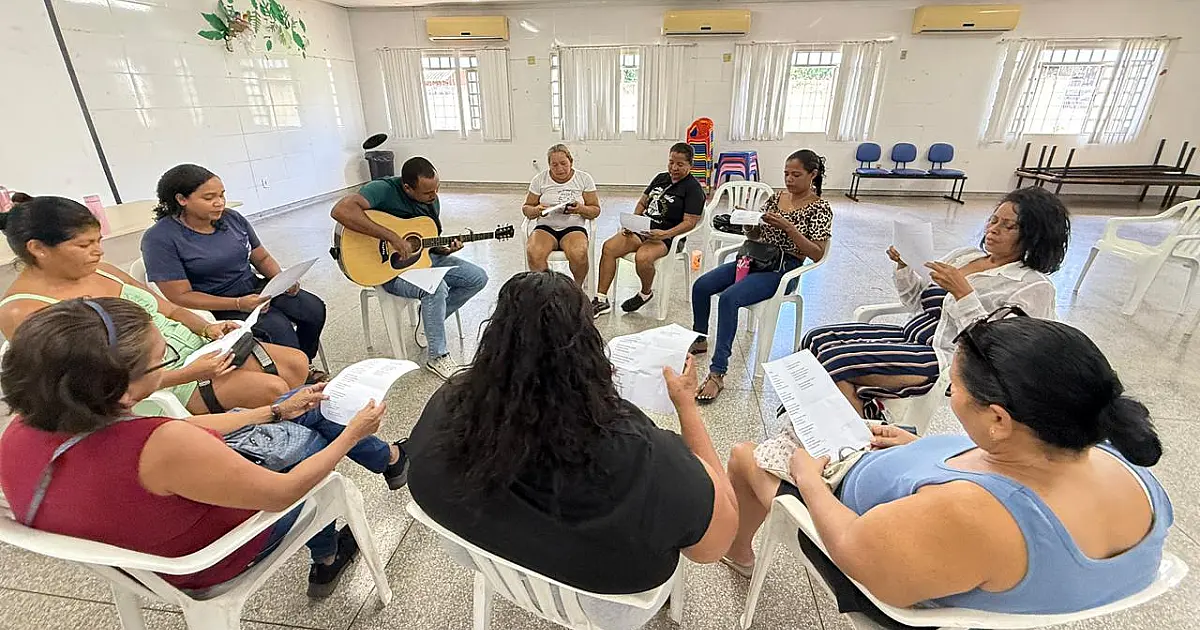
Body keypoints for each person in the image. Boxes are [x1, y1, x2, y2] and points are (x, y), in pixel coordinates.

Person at [724, 313, 1172, 617]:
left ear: (998, 419)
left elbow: (860, 555)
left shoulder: (974, 515)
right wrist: (917, 446)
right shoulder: (1128, 469)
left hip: (880, 565)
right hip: (930, 515)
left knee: (747, 456)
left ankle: (738, 552)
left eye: (953, 387)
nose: (949, 393)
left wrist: (809, 481)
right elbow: (1005, 466)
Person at [0, 297, 404, 598]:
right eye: (162, 362)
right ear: (122, 392)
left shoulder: (25, 428)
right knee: (315, 437)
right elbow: (281, 493)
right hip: (203, 561)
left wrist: (272, 411)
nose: (171, 368)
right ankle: (330, 552)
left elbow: (181, 428)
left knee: (298, 410)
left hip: (130, 558)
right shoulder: (160, 445)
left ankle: (385, 464)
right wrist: (351, 434)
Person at [406, 272, 738, 628]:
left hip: (493, 558)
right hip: (605, 603)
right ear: (590, 354)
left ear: (495, 342)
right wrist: (686, 405)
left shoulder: (451, 402)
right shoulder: (642, 452)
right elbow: (715, 545)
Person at [0, 196, 308, 414]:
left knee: (295, 362)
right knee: (273, 390)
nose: (97, 252)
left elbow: (170, 309)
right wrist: (187, 374)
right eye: (84, 245)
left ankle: (284, 431)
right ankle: (268, 444)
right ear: (38, 249)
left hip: (195, 350)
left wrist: (207, 327)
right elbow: (93, 388)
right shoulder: (23, 310)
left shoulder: (102, 269)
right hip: (157, 380)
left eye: (98, 241)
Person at [801, 186, 1070, 417]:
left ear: (1035, 236)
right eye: (993, 220)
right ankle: (853, 421)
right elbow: (914, 301)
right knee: (817, 339)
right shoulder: (966, 256)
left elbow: (1003, 351)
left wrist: (964, 295)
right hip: (912, 336)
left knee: (836, 362)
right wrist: (904, 266)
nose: (993, 230)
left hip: (948, 358)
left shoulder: (1032, 286)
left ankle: (853, 444)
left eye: (1008, 226)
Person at [141, 164, 328, 377]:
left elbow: (261, 257)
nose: (219, 202)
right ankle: (299, 378)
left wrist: (281, 280)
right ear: (182, 199)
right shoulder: (160, 238)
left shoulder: (232, 219)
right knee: (277, 327)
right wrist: (238, 304)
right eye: (209, 197)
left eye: (222, 195)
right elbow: (180, 296)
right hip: (216, 301)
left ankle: (303, 364)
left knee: (313, 309)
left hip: (252, 287)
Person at [690, 150, 832, 403]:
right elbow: (757, 236)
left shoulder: (820, 208)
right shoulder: (777, 198)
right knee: (701, 285)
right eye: (787, 173)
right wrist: (748, 222)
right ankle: (700, 337)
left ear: (813, 174)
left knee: (729, 299)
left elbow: (817, 254)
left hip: (782, 268)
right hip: (755, 258)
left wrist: (788, 228)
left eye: (796, 175)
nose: (789, 179)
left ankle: (717, 372)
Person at [331, 157, 489, 380]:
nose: (433, 196)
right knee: (436, 288)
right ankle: (437, 357)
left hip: (421, 262)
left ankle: (427, 320)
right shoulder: (383, 189)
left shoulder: (432, 200)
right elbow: (341, 211)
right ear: (407, 187)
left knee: (477, 277)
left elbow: (426, 241)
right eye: (427, 192)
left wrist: (444, 249)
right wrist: (391, 237)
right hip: (388, 268)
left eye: (437, 188)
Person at [592, 143, 705, 318]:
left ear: (690, 165)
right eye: (671, 162)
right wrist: (633, 222)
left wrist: (665, 234)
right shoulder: (660, 178)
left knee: (642, 258)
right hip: (643, 229)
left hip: (667, 236)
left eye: (680, 164)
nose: (674, 168)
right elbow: (642, 203)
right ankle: (601, 299)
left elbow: (690, 222)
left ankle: (645, 293)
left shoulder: (693, 189)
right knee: (609, 247)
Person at [521, 144, 601, 287]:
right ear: (549, 165)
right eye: (554, 165)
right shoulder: (540, 179)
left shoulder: (584, 178)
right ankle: (546, 289)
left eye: (564, 163)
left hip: (573, 228)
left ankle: (576, 288)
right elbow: (527, 208)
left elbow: (595, 210)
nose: (559, 169)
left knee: (579, 253)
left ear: (571, 161)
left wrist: (580, 209)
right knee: (534, 252)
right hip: (545, 227)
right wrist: (537, 210)